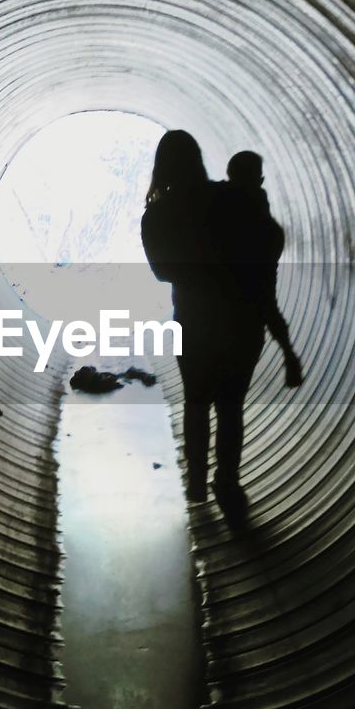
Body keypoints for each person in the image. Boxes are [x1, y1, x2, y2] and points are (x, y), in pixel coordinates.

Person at [140, 130, 268, 507]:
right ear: (198, 159)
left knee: (196, 402)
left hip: (192, 320)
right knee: (231, 406)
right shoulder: (229, 196)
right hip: (239, 317)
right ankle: (227, 482)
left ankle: (196, 484)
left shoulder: (157, 214)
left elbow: (162, 273)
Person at [226, 150, 303, 388]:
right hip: (247, 329)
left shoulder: (218, 222)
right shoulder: (269, 230)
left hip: (211, 325)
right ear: (260, 180)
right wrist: (288, 352)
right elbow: (266, 299)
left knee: (198, 405)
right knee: (231, 407)